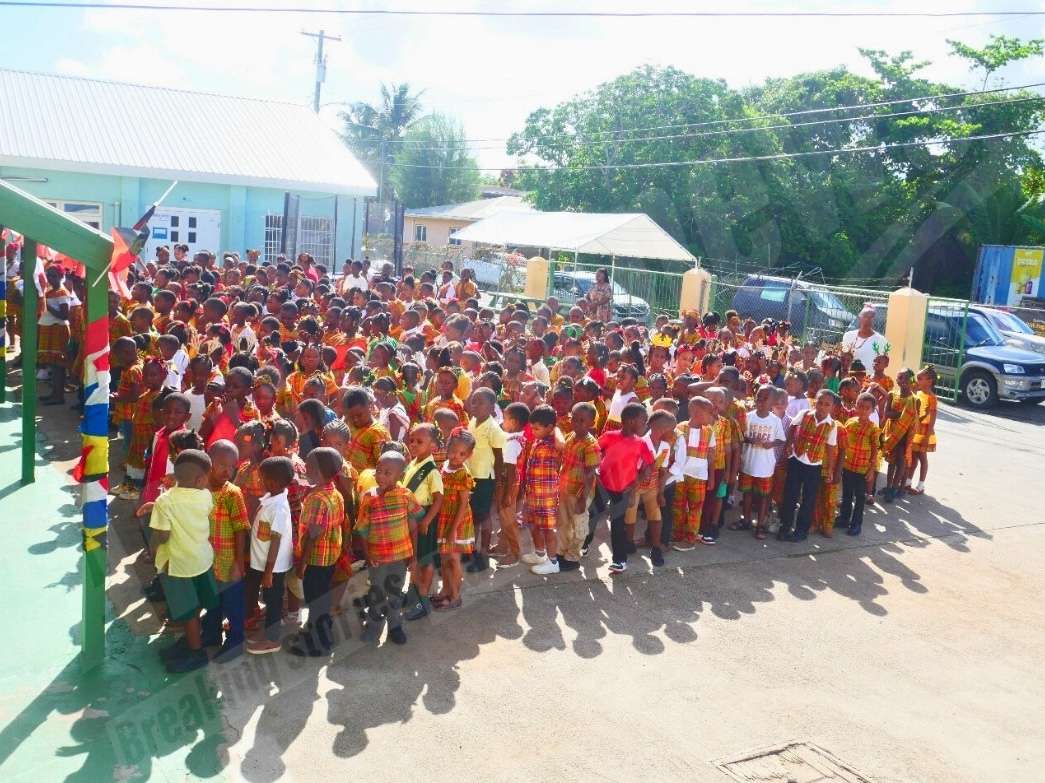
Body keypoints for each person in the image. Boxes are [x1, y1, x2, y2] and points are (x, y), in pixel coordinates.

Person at [149, 449, 217, 673]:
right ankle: (191, 642)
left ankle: (196, 652)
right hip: (201, 560)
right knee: (195, 606)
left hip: (178, 565)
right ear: (200, 479)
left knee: (186, 611)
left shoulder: (164, 502)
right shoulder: (206, 496)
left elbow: (163, 536)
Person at [356, 451, 422, 645]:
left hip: (400, 557)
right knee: (377, 591)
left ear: (400, 476)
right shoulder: (369, 497)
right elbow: (363, 529)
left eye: (387, 473)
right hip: (377, 557)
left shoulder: (406, 496)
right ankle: (374, 626)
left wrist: (413, 555)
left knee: (395, 592)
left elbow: (413, 526)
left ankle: (395, 626)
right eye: (378, 471)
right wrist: (368, 556)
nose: (381, 476)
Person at [288, 447, 346, 657]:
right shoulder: (334, 493)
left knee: (315, 600)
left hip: (315, 559)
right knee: (321, 598)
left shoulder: (316, 500)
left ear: (319, 471)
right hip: (330, 556)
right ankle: (323, 632)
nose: (305, 468)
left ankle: (317, 643)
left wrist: (302, 564)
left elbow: (312, 535)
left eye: (309, 466)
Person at [202, 439, 250, 661]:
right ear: (208, 460)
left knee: (232, 603)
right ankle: (211, 634)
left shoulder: (233, 493)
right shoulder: (199, 488)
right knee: (212, 601)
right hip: (206, 560)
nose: (228, 471)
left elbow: (241, 529)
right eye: (222, 464)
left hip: (228, 560)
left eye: (232, 466)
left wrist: (239, 563)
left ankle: (235, 641)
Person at [245, 456, 295, 655]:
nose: (260, 481)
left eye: (262, 478)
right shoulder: (272, 499)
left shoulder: (279, 508)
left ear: (272, 482)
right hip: (261, 562)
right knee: (264, 596)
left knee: (273, 601)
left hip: (271, 566)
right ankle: (262, 629)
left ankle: (272, 640)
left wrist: (268, 572)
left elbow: (275, 542)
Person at [596, 403, 654, 573]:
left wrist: (635, 483)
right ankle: (584, 545)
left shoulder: (641, 443)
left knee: (617, 524)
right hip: (603, 484)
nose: (645, 424)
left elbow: (649, 465)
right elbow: (595, 451)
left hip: (623, 489)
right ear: (630, 421)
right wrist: (596, 470)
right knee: (594, 514)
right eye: (643, 421)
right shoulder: (609, 436)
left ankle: (619, 560)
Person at [779, 389, 838, 542]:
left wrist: (830, 468)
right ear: (815, 402)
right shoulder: (805, 414)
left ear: (831, 407)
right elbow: (793, 427)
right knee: (790, 494)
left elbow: (831, 448)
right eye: (820, 402)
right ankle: (785, 526)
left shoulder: (832, 425)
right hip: (796, 460)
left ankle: (801, 531)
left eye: (827, 405)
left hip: (814, 465)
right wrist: (789, 445)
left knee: (808, 499)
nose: (822, 407)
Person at [402, 424, 445, 621]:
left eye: (419, 442)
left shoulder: (432, 471)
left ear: (433, 447)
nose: (413, 444)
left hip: (423, 519)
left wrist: (427, 520)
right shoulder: (413, 464)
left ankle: (423, 600)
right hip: (411, 518)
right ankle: (413, 593)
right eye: (412, 440)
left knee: (425, 561)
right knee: (415, 559)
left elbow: (438, 499)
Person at [735, 385, 786, 540]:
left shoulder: (775, 421)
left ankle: (760, 525)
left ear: (773, 402)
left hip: (765, 466)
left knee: (764, 497)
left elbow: (781, 439)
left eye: (765, 399)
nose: (761, 401)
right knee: (747, 494)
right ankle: (746, 520)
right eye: (759, 397)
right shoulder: (748, 417)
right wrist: (751, 440)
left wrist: (771, 443)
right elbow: (741, 436)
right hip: (748, 464)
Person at [465, 388, 506, 573]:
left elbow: (500, 457)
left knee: (484, 516)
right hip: (471, 476)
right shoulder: (472, 421)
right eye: (473, 401)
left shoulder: (494, 429)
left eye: (480, 402)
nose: (475, 405)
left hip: (485, 478)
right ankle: (472, 549)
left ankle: (483, 554)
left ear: (492, 407)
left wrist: (498, 482)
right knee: (473, 516)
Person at [434, 429, 475, 610]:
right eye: (453, 451)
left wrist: (453, 530)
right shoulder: (444, 466)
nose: (456, 456)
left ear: (469, 455)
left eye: (462, 454)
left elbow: (463, 504)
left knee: (453, 559)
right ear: (447, 447)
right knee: (444, 558)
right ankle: (445, 590)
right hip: (444, 517)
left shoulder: (462, 474)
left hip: (457, 521)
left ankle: (455, 596)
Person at [520, 405, 564, 574]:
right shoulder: (538, 441)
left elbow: (562, 444)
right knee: (534, 525)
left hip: (546, 496)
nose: (533, 431)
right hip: (533, 494)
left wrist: (556, 428)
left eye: (537, 428)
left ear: (550, 428)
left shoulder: (553, 443)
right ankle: (540, 553)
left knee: (548, 529)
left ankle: (553, 563)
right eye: (532, 427)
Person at [837, 392, 880, 536]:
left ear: (872, 411)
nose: (862, 410)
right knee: (847, 494)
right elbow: (843, 443)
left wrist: (871, 470)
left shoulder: (873, 429)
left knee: (860, 497)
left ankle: (856, 523)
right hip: (848, 465)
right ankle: (844, 518)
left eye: (867, 408)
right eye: (860, 406)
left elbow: (875, 450)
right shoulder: (850, 423)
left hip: (862, 469)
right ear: (856, 406)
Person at [908, 365, 938, 496]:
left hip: (924, 430)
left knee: (922, 457)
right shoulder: (918, 393)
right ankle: (908, 481)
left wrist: (927, 436)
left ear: (929, 381)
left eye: (920, 378)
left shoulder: (932, 397)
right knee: (913, 456)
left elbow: (932, 417)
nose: (917, 381)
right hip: (915, 428)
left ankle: (921, 484)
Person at [842, 305, 887, 374]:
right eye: (865, 316)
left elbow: (882, 365)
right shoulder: (848, 336)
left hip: (868, 380)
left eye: (871, 317)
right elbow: (843, 359)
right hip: (849, 379)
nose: (867, 319)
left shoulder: (880, 340)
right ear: (859, 317)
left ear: (874, 319)